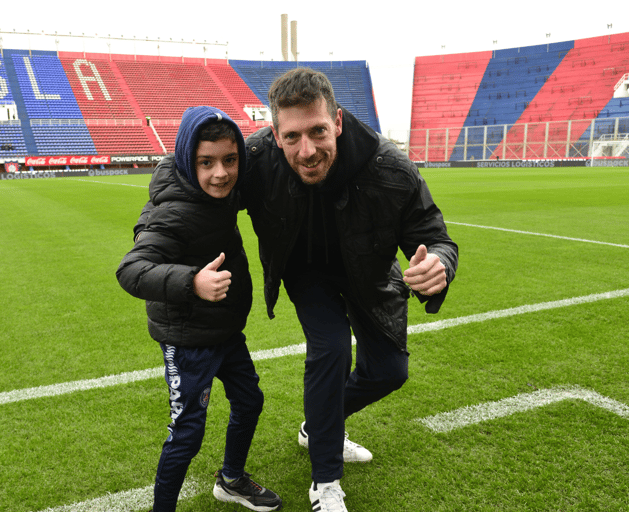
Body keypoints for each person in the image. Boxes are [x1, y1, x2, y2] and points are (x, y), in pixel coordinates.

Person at [242, 68, 458, 511]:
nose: (307, 150)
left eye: (318, 131)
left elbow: (434, 234)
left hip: (368, 271)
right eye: (292, 137)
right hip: (305, 273)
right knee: (332, 347)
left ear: (337, 121)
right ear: (275, 133)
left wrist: (440, 264)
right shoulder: (257, 158)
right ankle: (325, 482)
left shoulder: (389, 165)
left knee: (391, 371)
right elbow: (194, 175)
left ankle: (318, 425)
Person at [116, 106, 282, 512]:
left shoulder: (217, 190)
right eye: (205, 163)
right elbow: (131, 270)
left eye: (230, 160)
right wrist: (192, 281)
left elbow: (257, 148)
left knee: (250, 401)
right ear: (189, 160)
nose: (220, 173)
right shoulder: (175, 211)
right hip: (187, 339)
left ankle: (230, 480)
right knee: (187, 433)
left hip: (223, 330)